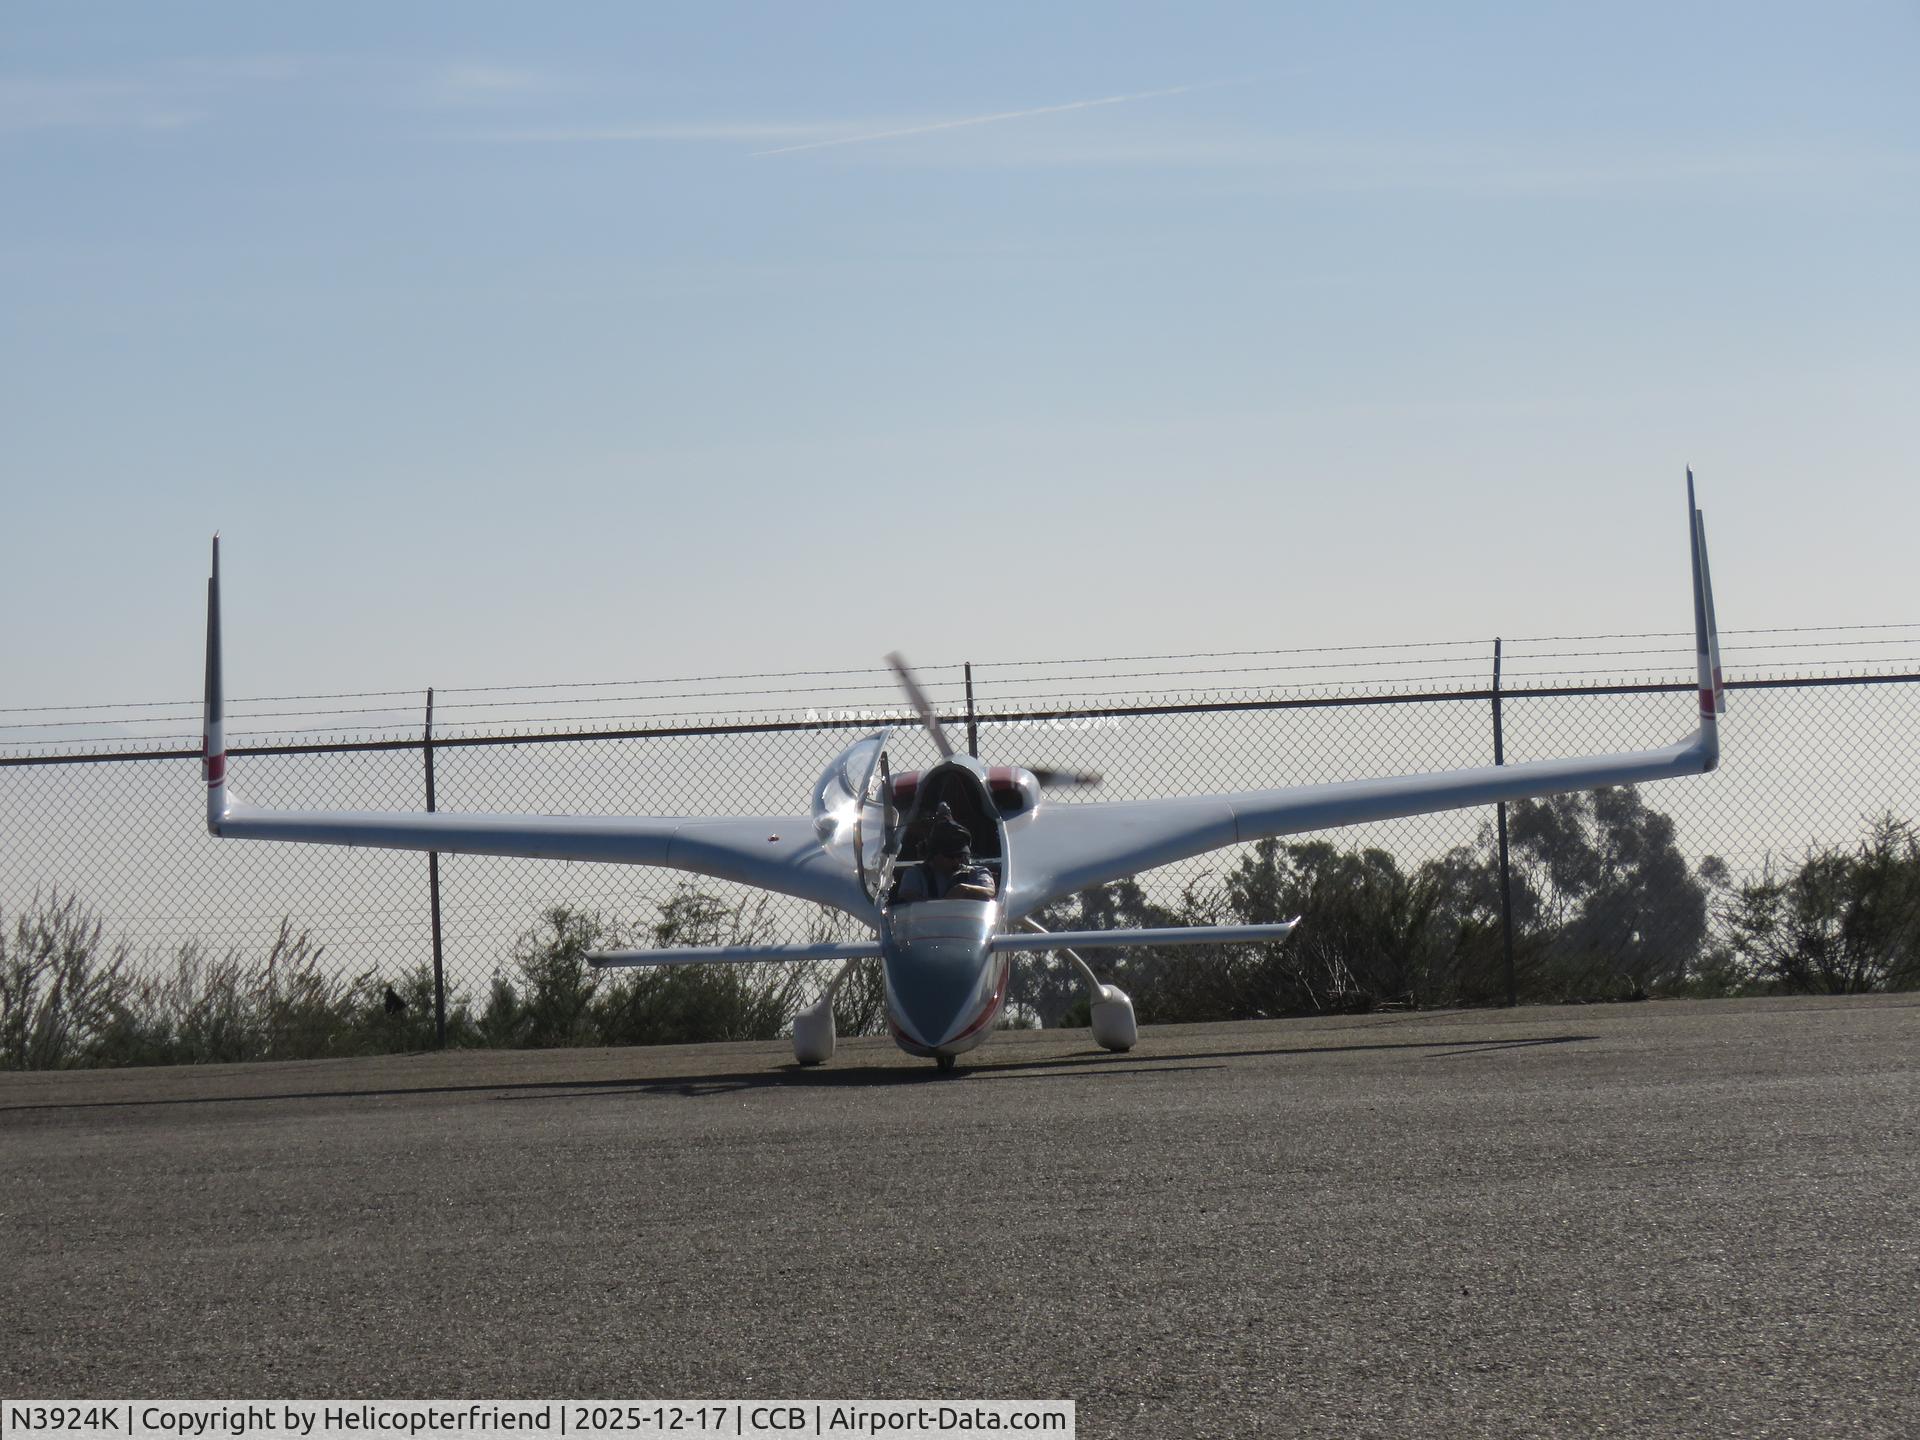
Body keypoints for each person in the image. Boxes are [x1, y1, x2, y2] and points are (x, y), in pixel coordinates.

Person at [894, 805, 997, 903]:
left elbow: (990, 891)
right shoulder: (915, 874)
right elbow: (909, 897)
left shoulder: (977, 872)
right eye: (951, 856)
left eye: (960, 856)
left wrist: (964, 889)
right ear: (934, 855)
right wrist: (947, 902)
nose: (957, 860)